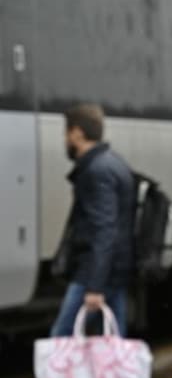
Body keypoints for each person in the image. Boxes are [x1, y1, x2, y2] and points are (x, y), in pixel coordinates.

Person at [50, 104, 135, 337]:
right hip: (112, 268)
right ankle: (117, 375)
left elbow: (104, 229)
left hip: (93, 271)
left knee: (62, 339)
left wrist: (95, 286)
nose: (66, 140)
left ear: (77, 133)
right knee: (114, 337)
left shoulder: (96, 171)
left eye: (66, 134)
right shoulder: (113, 163)